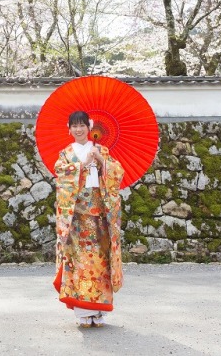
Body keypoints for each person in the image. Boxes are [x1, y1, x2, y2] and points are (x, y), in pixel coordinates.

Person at [53, 110, 125, 328]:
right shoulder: (66, 153)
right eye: (74, 126)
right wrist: (81, 165)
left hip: (100, 215)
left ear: (89, 127)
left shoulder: (101, 149)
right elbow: (60, 174)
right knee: (80, 263)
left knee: (100, 261)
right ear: (69, 129)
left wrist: (102, 161)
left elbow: (118, 174)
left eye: (82, 125)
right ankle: (83, 311)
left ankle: (99, 311)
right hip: (76, 218)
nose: (78, 129)